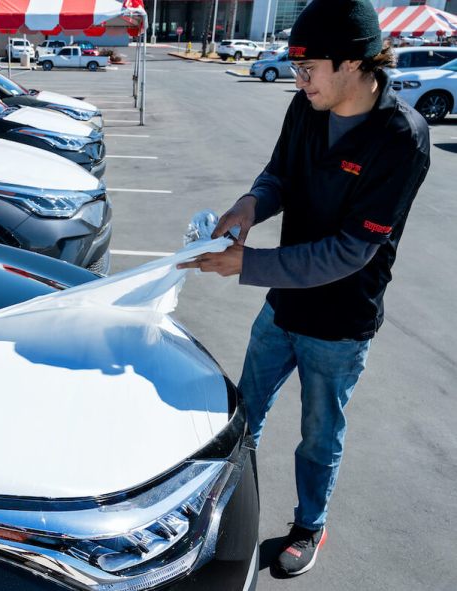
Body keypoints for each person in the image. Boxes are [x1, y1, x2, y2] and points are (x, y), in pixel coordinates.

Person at [178, 0, 430, 577]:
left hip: (340, 325)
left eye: (309, 67)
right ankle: (220, 512)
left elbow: (350, 251)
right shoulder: (306, 108)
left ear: (354, 63)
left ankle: (309, 527)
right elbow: (279, 176)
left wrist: (247, 264)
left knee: (319, 435)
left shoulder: (400, 139)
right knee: (242, 415)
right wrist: (251, 202)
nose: (299, 80)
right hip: (283, 308)